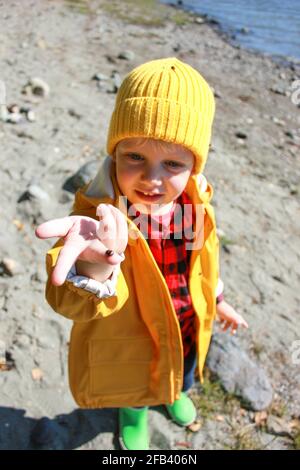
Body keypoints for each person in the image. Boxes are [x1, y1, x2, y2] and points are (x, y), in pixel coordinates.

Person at [35, 57, 248, 450]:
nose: (152, 179)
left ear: (194, 164)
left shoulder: (194, 200)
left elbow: (202, 262)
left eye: (172, 163)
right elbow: (70, 302)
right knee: (137, 382)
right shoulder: (96, 218)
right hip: (134, 332)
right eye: (135, 157)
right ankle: (133, 413)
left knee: (182, 371)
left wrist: (217, 299)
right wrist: (92, 269)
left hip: (184, 322)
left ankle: (174, 394)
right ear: (115, 151)